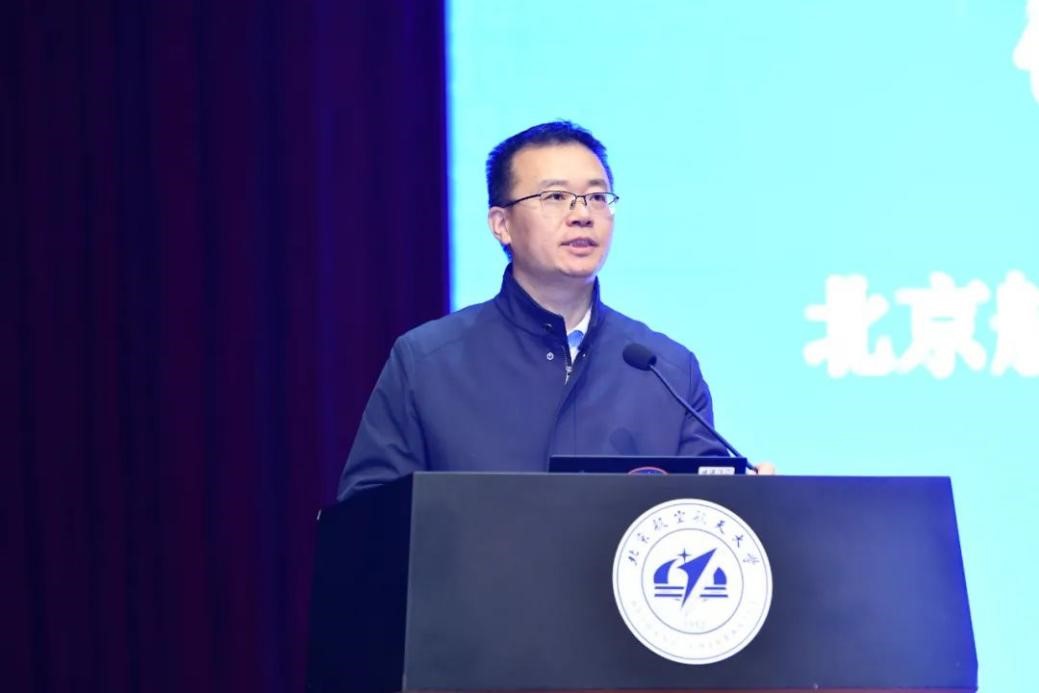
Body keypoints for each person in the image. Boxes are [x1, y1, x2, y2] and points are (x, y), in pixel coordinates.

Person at [337, 121, 769, 501]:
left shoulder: (666, 369)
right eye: (557, 196)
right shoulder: (427, 362)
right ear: (501, 224)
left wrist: (754, 501)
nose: (582, 215)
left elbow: (706, 512)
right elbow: (369, 517)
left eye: (597, 197)